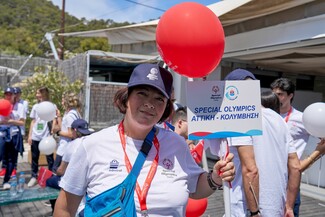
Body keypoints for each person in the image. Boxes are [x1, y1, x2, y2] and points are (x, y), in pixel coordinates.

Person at [54, 63, 235, 217]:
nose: (150, 103)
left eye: (159, 99)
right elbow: (64, 208)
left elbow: (195, 188)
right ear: (126, 99)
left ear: (165, 108)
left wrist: (216, 177)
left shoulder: (177, 144)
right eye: (142, 93)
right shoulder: (92, 145)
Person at [207, 69, 301, 217]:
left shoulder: (239, 119)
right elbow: (295, 166)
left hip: (247, 207)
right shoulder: (278, 119)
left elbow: (251, 170)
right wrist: (289, 206)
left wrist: (254, 212)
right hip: (277, 205)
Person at [270, 78, 309, 216]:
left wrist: (310, 159)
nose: (276, 97)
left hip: (290, 177)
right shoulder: (268, 116)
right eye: (274, 94)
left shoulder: (302, 118)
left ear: (290, 95)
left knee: (290, 212)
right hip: (270, 175)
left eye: (280, 94)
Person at [46, 118, 93, 216]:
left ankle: (55, 209)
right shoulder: (94, 143)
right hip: (90, 182)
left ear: (74, 131)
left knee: (49, 181)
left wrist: (55, 171)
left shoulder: (72, 145)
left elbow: (61, 170)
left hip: (76, 184)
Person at [27, 87, 56, 187]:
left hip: (47, 137)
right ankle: (34, 176)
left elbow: (54, 119)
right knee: (34, 158)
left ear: (43, 94)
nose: (36, 95)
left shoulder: (52, 106)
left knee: (50, 158)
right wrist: (30, 135)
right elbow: (33, 121)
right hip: (36, 136)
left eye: (38, 93)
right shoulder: (35, 106)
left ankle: (51, 176)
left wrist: (53, 130)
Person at [0, 87, 26, 189]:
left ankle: (6, 181)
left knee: (11, 159)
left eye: (10, 94)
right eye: (6, 94)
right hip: (1, 134)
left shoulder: (20, 106)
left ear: (14, 95)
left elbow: (22, 122)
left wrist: (11, 121)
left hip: (14, 134)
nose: (8, 96)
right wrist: (3, 122)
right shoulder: (1, 104)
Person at [52, 92, 81, 174]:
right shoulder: (72, 113)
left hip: (65, 149)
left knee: (56, 171)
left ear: (66, 101)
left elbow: (71, 134)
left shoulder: (70, 115)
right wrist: (59, 116)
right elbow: (64, 128)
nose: (61, 102)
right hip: (65, 148)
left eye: (62, 100)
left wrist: (58, 132)